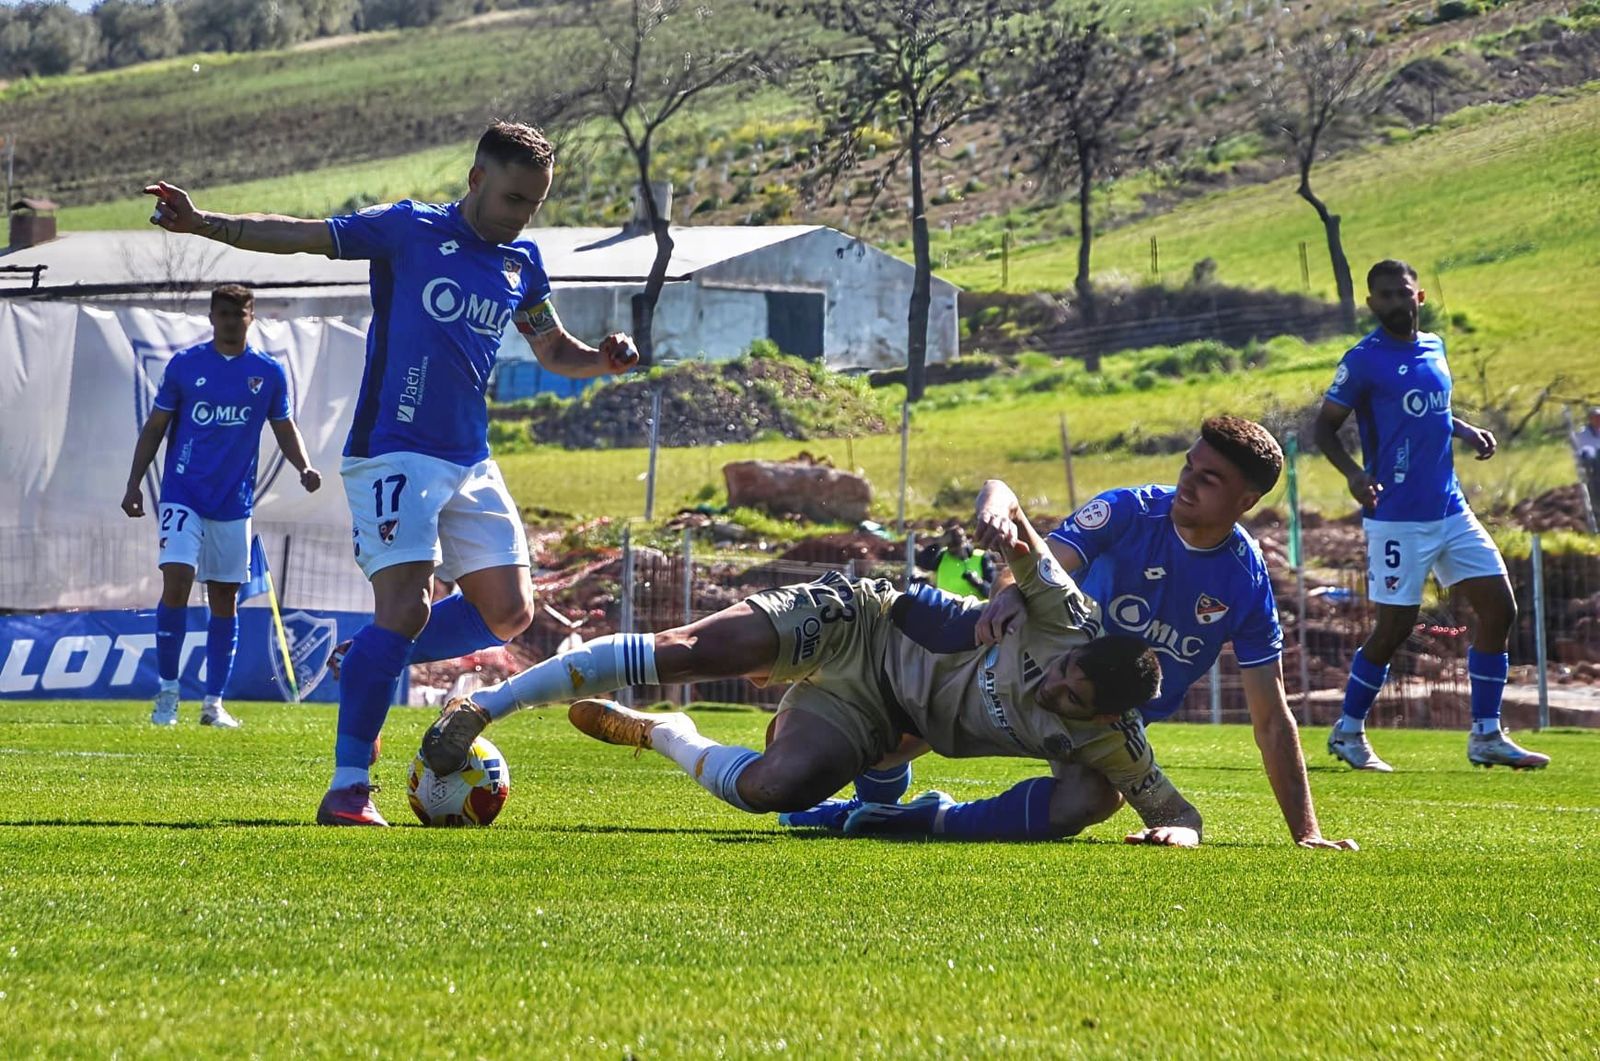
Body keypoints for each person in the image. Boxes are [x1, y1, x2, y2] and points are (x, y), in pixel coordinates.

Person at [146, 120, 641, 825]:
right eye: (511, 199)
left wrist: (603, 359)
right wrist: (203, 224)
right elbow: (303, 235)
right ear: (475, 182)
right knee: (405, 609)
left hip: (470, 457)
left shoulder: (521, 261)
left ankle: (369, 655)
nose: (522, 215)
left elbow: (554, 347)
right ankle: (349, 788)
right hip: (393, 448)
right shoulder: (407, 230)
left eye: (534, 204)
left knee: (509, 612)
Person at [421, 496, 1206, 846]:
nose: (1051, 686)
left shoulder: (1116, 743)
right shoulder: (1067, 615)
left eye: (1069, 699)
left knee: (774, 789)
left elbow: (1177, 810)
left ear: (1103, 719)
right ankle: (486, 704)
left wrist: (1178, 832)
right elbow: (1004, 504)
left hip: (882, 720)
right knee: (693, 652)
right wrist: (997, 518)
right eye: (1062, 671)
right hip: (862, 623)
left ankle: (664, 734)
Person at [789, 416, 1358, 851]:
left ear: (1246, 500)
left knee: (1091, 798)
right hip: (1026, 670)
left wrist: (1305, 832)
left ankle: (915, 818)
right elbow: (1033, 559)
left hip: (1095, 721)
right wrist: (1009, 592)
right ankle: (848, 809)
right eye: (1189, 466)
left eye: (1210, 479)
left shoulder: (1244, 580)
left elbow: (1270, 714)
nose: (1188, 483)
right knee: (903, 726)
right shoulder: (1127, 511)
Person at [1314, 260, 1548, 772]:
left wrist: (1465, 431)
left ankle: (1486, 734)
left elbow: (1430, 409)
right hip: (1397, 518)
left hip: (1450, 508)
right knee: (1393, 628)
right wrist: (1354, 475)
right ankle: (1348, 731)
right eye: (1385, 296)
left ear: (1418, 297)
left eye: (1403, 293)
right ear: (1372, 304)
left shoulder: (1436, 346)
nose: (1396, 302)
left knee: (1500, 609)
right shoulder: (1363, 360)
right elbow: (1324, 429)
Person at [121, 283, 321, 729]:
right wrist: (134, 483)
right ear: (212, 317)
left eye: (240, 313)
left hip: (234, 503)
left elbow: (284, 426)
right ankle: (168, 695)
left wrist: (304, 467)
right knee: (176, 578)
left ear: (252, 317)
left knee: (224, 598)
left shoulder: (266, 373)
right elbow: (155, 427)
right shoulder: (186, 366)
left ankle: (213, 704)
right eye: (224, 313)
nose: (232, 320)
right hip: (183, 493)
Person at [919, 523, 995, 599]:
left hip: (975, 608)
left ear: (966, 541)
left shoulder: (982, 557)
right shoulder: (941, 557)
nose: (957, 552)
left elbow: (994, 593)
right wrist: (940, 542)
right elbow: (923, 563)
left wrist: (979, 583)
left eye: (959, 547)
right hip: (946, 607)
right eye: (952, 548)